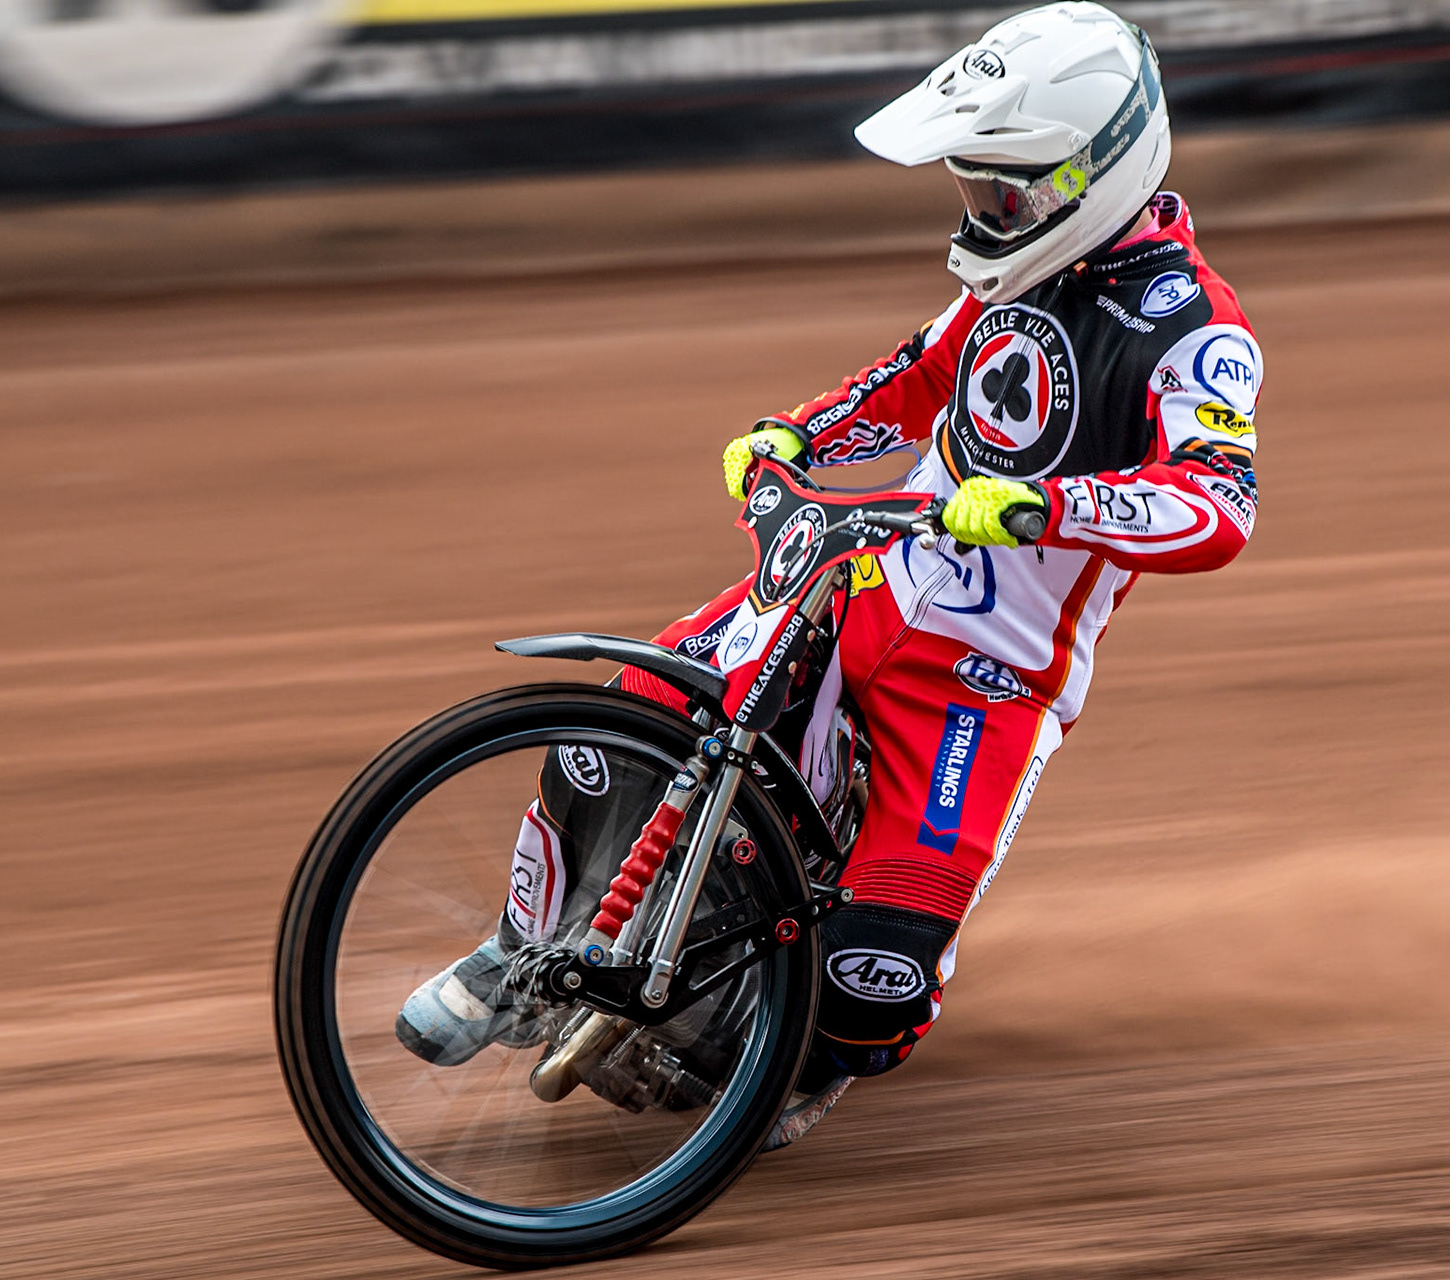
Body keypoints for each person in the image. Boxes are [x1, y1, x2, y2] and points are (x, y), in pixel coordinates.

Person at [395, 0, 1262, 1133]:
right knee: (620, 723)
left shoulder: (1195, 329)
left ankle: (792, 1066)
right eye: (973, 188)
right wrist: (796, 435)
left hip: (987, 678)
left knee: (874, 989)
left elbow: (1219, 505)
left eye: (1003, 193)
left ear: (1087, 175)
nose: (984, 214)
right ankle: (516, 950)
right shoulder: (1016, 275)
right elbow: (915, 377)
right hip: (861, 580)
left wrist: (1045, 506)